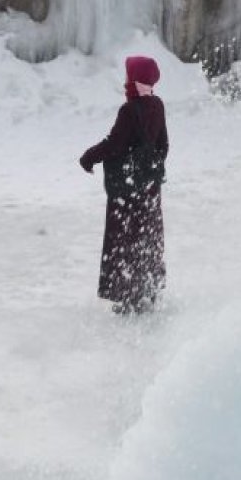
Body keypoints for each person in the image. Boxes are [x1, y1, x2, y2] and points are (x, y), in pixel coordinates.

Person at [79, 56, 169, 314]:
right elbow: (164, 145)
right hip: (150, 188)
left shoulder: (129, 111)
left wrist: (89, 157)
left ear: (134, 79)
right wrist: (150, 169)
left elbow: (115, 144)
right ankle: (148, 291)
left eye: (128, 74)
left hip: (127, 189)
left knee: (125, 238)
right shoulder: (158, 105)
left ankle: (128, 295)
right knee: (147, 236)